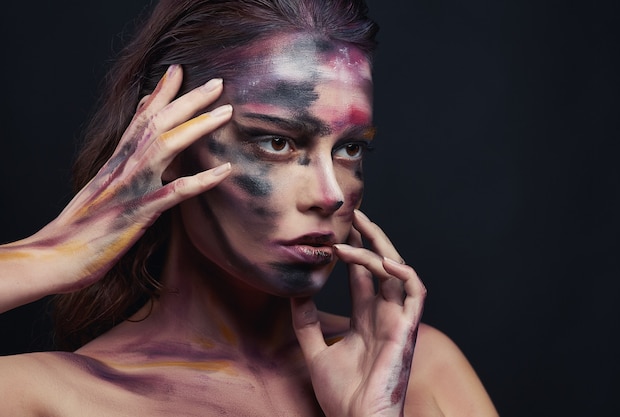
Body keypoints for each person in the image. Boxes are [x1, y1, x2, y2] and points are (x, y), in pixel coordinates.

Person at [0, 0, 498, 415]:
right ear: (168, 150)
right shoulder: (44, 397)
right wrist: (47, 254)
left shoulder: (421, 371)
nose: (331, 194)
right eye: (277, 143)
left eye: (350, 149)